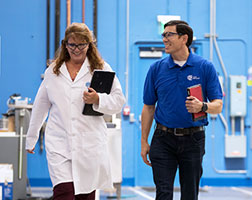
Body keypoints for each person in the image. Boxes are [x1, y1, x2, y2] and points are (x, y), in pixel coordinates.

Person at [26, 22, 125, 200]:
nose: (76, 49)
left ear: (89, 45)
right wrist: (31, 137)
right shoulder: (53, 71)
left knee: (85, 195)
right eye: (72, 45)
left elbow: (119, 101)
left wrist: (98, 99)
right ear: (65, 44)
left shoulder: (101, 68)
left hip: (90, 144)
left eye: (81, 45)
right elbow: (41, 106)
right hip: (59, 142)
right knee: (64, 192)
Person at [141, 20, 223, 200]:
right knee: (163, 193)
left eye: (168, 35)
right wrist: (144, 141)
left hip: (193, 140)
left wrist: (202, 106)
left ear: (184, 38)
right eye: (163, 35)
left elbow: (218, 105)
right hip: (163, 139)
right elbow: (148, 107)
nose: (164, 39)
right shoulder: (156, 69)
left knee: (189, 194)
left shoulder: (204, 67)